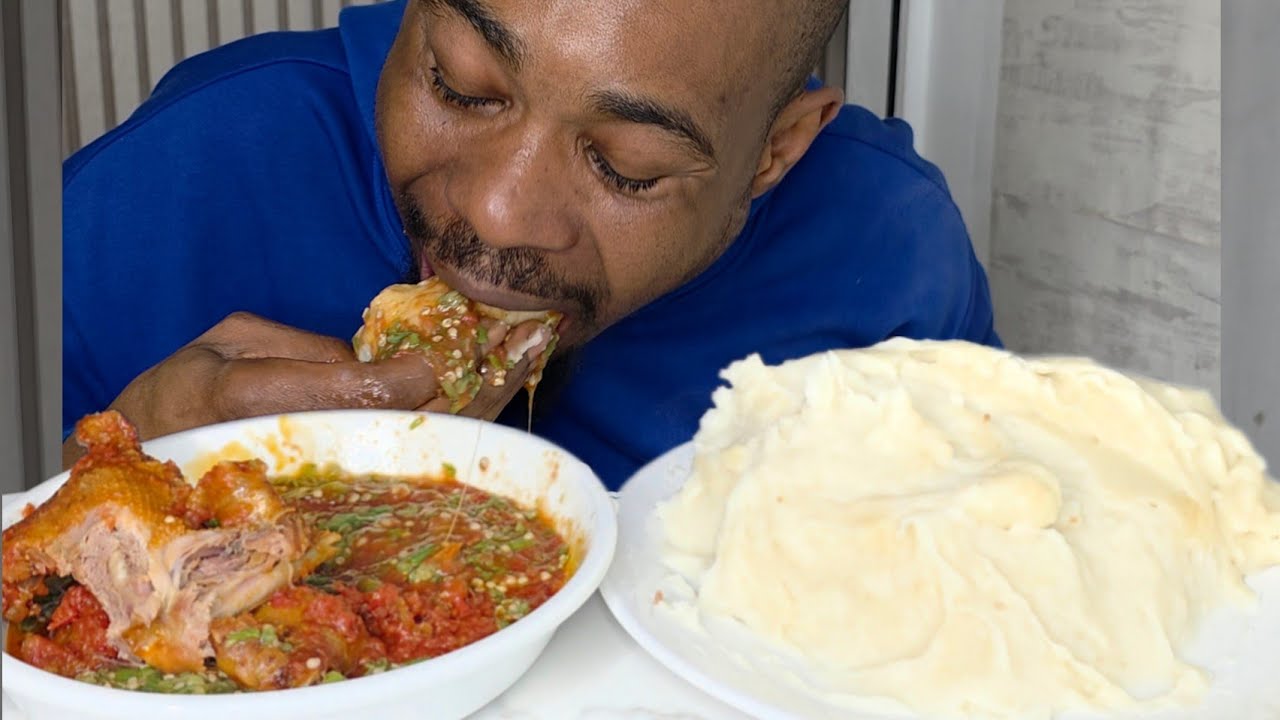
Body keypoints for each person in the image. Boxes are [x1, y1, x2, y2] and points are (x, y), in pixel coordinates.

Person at [62, 0, 1000, 489]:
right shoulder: (174, 172)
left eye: (627, 167)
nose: (501, 214)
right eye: (463, 85)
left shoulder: (892, 264)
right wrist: (98, 476)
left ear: (776, 152)